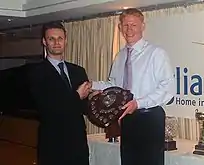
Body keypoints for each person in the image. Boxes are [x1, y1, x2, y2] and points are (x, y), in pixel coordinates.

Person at [91, 8, 174, 165]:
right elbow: (114, 86)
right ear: (120, 27)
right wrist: (92, 85)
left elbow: (168, 89)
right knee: (128, 161)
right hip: (127, 118)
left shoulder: (156, 53)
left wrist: (138, 103)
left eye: (133, 25)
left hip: (149, 118)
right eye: (125, 25)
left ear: (143, 26)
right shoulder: (120, 56)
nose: (129, 29)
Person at [27, 22, 91, 165]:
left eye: (60, 38)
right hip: (53, 145)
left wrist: (95, 99)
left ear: (66, 41)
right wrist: (77, 96)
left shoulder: (78, 71)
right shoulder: (35, 73)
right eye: (51, 39)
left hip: (78, 144)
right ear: (44, 42)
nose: (56, 43)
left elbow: (84, 108)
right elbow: (47, 108)